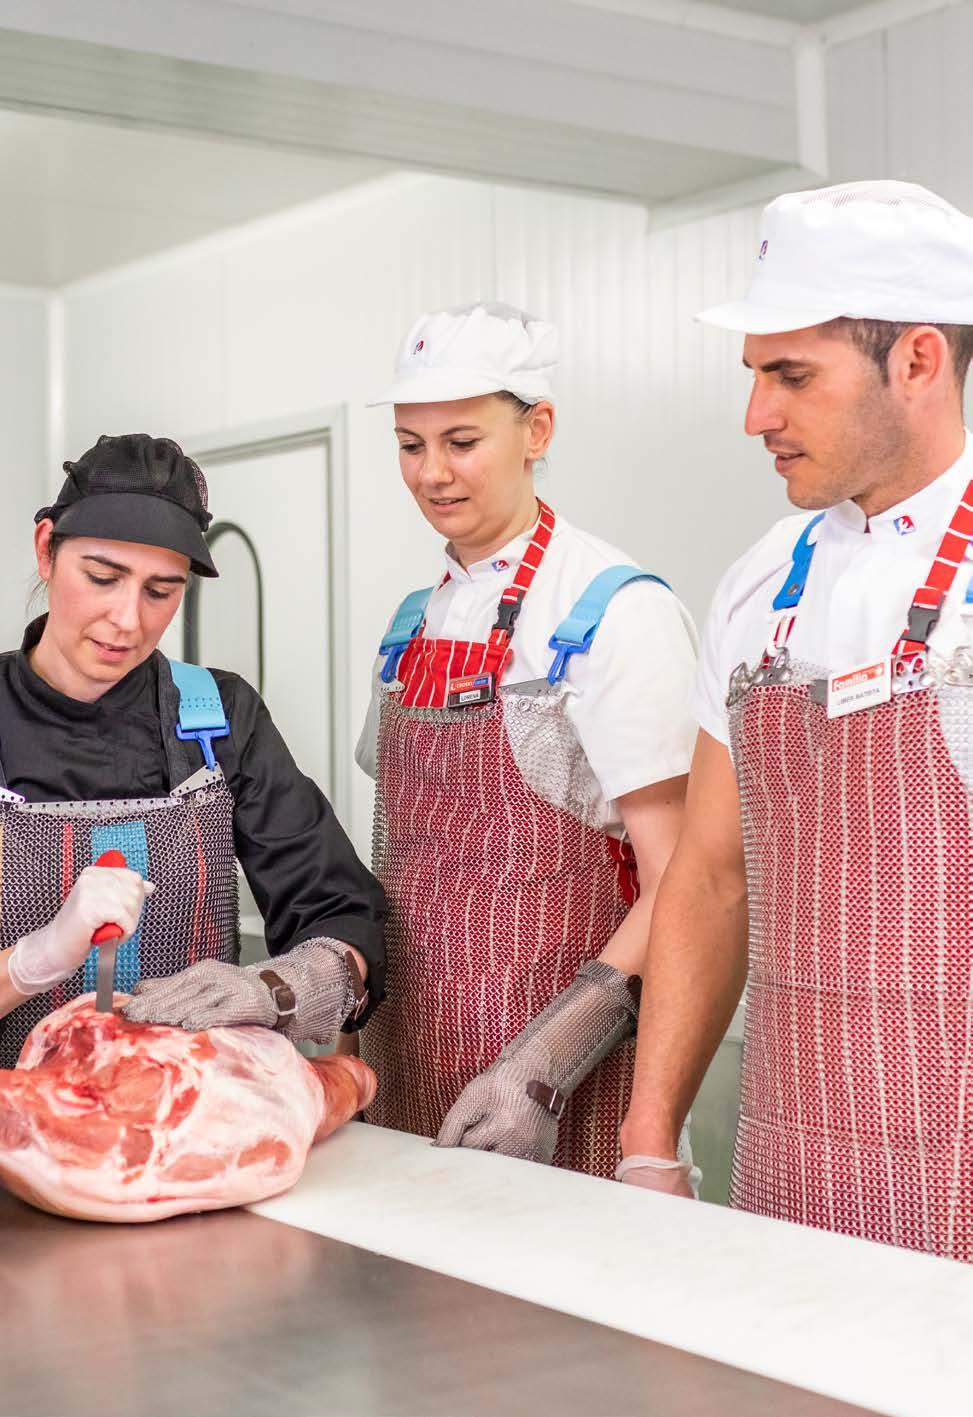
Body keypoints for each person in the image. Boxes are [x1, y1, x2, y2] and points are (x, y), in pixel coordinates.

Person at [620, 179, 973, 1259]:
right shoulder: (761, 579)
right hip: (787, 1150)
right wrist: (649, 1136)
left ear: (917, 360)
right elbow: (709, 872)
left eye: (791, 376)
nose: (755, 416)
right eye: (755, 374)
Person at [355, 302, 698, 1177]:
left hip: (563, 1077)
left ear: (536, 429)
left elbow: (681, 878)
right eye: (409, 444)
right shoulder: (408, 627)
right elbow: (405, 856)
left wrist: (543, 1064)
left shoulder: (616, 611)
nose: (432, 472)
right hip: (409, 1048)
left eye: (461, 441)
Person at [0, 433, 386, 1065]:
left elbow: (336, 909)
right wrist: (33, 961)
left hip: (188, 1107)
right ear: (46, 549)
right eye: (103, 577)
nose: (128, 620)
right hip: (21, 1116)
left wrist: (281, 989)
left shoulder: (217, 716)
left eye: (161, 590)